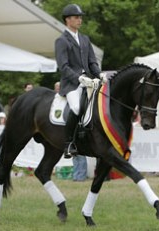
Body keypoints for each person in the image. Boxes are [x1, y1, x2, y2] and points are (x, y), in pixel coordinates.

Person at [55, 4, 106, 158]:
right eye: (77, 17)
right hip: (72, 84)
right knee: (77, 108)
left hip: (89, 81)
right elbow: (63, 67)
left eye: (80, 17)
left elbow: (92, 62)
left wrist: (100, 74)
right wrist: (78, 78)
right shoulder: (62, 40)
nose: (80, 20)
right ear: (68, 20)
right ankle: (69, 143)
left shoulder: (84, 39)